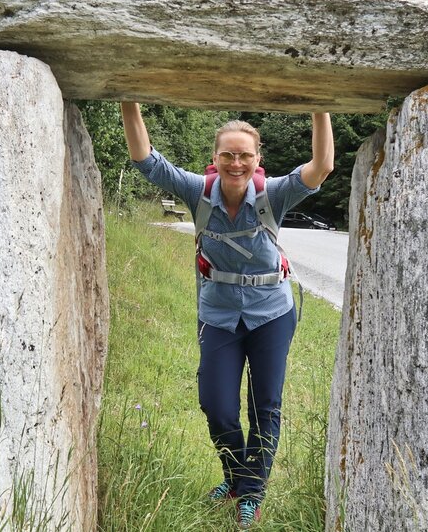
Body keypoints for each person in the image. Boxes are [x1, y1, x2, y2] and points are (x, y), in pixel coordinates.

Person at [120, 102, 334, 529]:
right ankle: (236, 477)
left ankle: (250, 490)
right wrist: (130, 100)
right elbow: (144, 159)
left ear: (258, 160)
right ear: (214, 159)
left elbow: (322, 165)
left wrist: (319, 106)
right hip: (218, 313)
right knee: (216, 405)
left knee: (264, 405)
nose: (236, 163)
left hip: (272, 312)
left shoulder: (275, 193)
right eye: (227, 155)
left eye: (245, 155)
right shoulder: (196, 191)